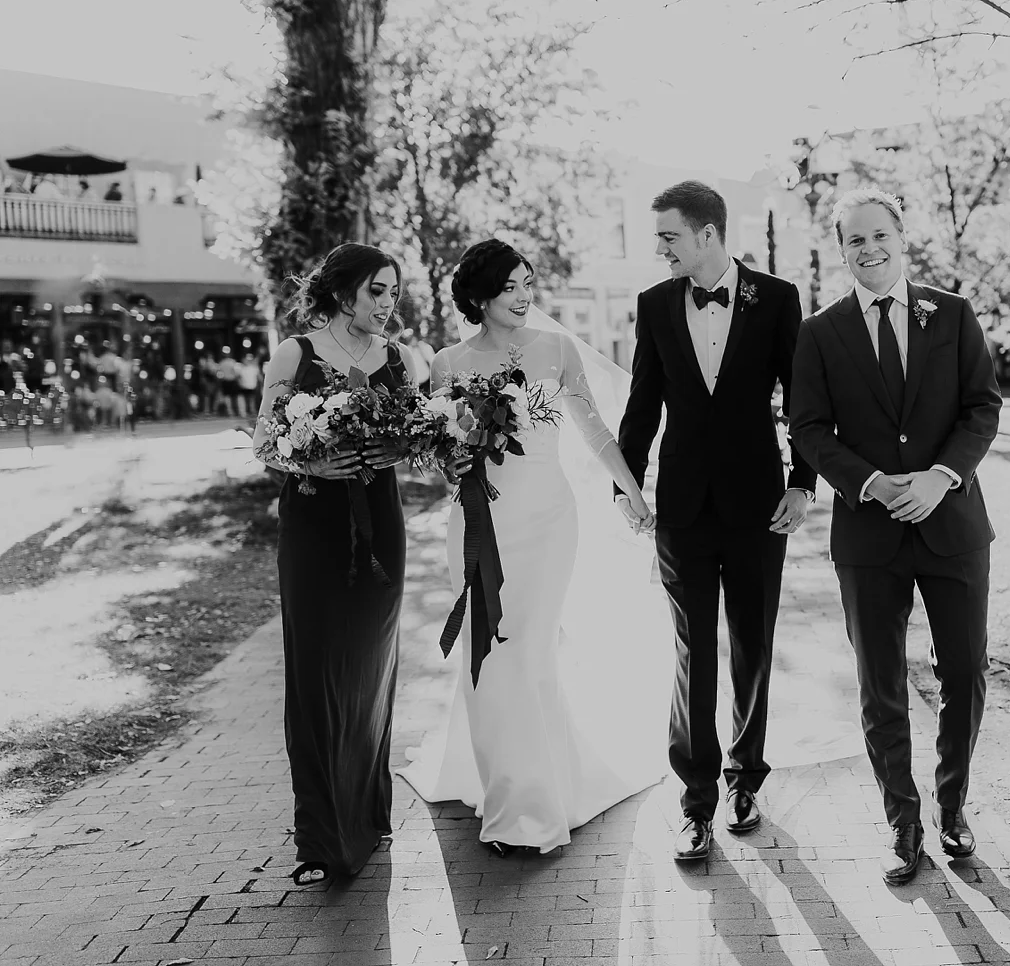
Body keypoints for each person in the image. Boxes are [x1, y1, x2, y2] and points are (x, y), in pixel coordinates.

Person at [395, 239, 667, 855]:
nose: (524, 297)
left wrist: (633, 492)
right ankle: (514, 794)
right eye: (511, 286)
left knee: (527, 652)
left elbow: (594, 432)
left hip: (547, 522)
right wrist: (451, 460)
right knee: (488, 654)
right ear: (480, 295)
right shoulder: (447, 364)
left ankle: (531, 808)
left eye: (527, 284)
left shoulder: (556, 348)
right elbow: (440, 453)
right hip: (478, 522)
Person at [789, 189, 1003, 885]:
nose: (869, 248)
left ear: (902, 238)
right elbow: (808, 428)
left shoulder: (953, 313)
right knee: (880, 682)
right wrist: (872, 483)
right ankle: (902, 821)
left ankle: (953, 805)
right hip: (868, 535)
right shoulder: (820, 331)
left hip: (953, 525)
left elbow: (982, 407)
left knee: (964, 672)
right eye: (855, 239)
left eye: (879, 234)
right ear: (841, 249)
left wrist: (942, 476)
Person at [615, 180, 816, 861]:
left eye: (668, 236)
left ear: (708, 234)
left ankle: (745, 780)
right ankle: (696, 801)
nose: (661, 249)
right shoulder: (654, 304)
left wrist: (804, 481)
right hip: (682, 508)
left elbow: (802, 399)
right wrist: (626, 484)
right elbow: (643, 402)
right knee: (692, 651)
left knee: (753, 645)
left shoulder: (777, 298)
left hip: (760, 504)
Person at [251, 242, 421, 886]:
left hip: (381, 527)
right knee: (318, 676)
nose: (387, 303)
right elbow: (265, 442)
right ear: (343, 291)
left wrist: (402, 447)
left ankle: (369, 816)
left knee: (372, 672)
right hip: (314, 529)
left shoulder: (399, 360)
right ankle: (324, 837)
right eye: (376, 290)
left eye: (393, 292)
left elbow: (416, 441)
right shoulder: (295, 354)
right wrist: (311, 460)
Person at [235, 352, 261, 417]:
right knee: (243, 400)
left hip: (252, 386)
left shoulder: (254, 368)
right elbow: (237, 377)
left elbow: (259, 377)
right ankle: (243, 412)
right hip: (243, 386)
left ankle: (252, 411)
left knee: (251, 400)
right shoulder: (240, 367)